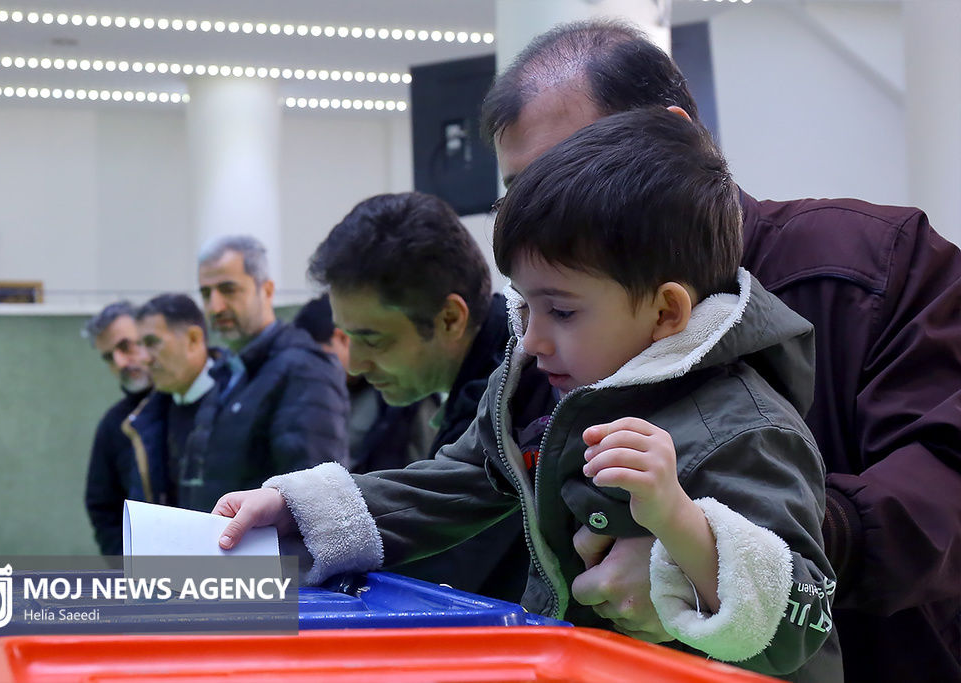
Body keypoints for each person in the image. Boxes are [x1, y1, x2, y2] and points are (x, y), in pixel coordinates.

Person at [213, 109, 840, 680]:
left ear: (666, 310)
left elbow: (798, 625)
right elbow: (459, 480)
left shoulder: (747, 427)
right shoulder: (542, 386)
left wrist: (678, 522)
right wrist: (302, 512)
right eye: (525, 305)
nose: (533, 339)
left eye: (562, 311)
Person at [480, 20, 961, 683]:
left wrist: (703, 554)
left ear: (675, 134)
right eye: (515, 188)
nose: (533, 208)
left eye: (565, 168)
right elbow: (463, 496)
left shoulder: (876, 267)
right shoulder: (548, 332)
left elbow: (944, 483)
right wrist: (289, 554)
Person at [303, 192, 531, 600]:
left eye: (373, 340)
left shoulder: (515, 398)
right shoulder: (484, 384)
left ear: (449, 319)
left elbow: (431, 572)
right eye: (347, 338)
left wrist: (221, 586)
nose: (354, 365)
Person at [182, 235, 349, 511]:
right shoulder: (227, 372)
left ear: (267, 290)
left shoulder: (304, 368)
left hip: (269, 551)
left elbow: (315, 496)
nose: (215, 306)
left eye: (228, 289)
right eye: (206, 293)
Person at [292, 294, 439, 474]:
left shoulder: (409, 394)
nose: (314, 370)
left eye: (319, 358)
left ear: (342, 338)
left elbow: (429, 472)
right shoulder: (331, 393)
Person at [123, 294, 221, 507]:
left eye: (152, 343)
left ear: (193, 340)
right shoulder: (148, 416)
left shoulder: (239, 402)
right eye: (141, 346)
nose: (144, 358)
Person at [81, 300, 153, 555]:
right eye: (110, 357)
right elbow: (103, 508)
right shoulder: (113, 425)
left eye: (125, 346)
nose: (121, 362)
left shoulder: (196, 399)